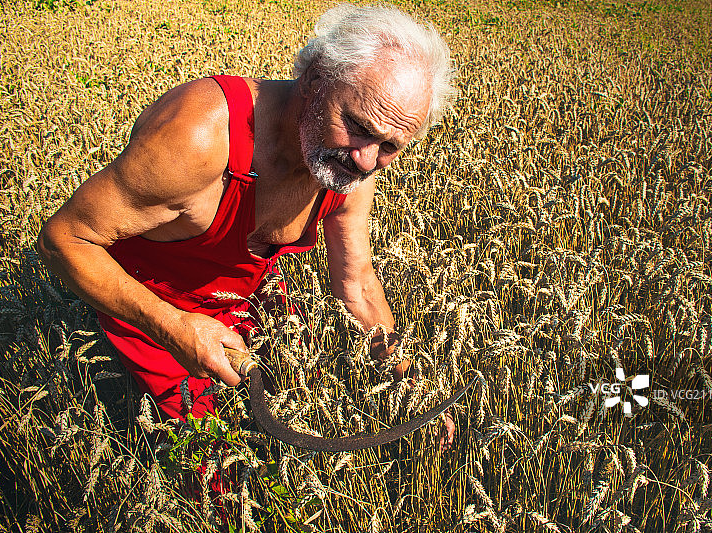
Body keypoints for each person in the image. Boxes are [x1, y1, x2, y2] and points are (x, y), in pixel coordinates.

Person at [36, 4, 457, 448]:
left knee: (310, 399)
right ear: (315, 80)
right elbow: (63, 239)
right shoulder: (200, 138)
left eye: (390, 145)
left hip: (248, 297)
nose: (368, 160)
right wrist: (175, 328)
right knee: (214, 462)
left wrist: (412, 390)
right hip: (153, 303)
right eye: (357, 126)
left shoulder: (350, 168)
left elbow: (358, 286)